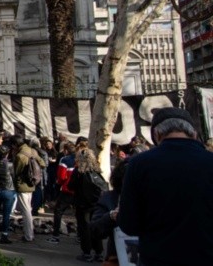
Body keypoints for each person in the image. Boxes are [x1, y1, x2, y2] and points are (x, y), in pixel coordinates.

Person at [118, 107, 213, 265]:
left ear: (156, 135)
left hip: (157, 258)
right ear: (194, 134)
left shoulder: (139, 164)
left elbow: (129, 224)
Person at [68, 147, 106, 262]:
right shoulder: (96, 170)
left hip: (82, 204)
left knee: (84, 228)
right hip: (96, 203)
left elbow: (71, 186)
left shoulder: (79, 171)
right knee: (95, 227)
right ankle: (99, 252)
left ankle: (87, 253)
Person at [90, 158, 129, 262]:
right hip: (117, 257)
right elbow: (95, 230)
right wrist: (111, 216)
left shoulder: (152, 198)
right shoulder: (110, 198)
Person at [12, 134, 45, 242]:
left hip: (22, 185)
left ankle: (28, 235)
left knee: (26, 212)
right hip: (32, 183)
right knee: (28, 209)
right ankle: (29, 233)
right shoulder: (33, 151)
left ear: (15, 145)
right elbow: (43, 163)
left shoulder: (20, 156)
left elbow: (16, 172)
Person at [46, 141, 76, 244]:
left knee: (58, 211)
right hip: (78, 191)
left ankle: (56, 236)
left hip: (67, 189)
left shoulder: (65, 160)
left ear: (66, 150)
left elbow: (61, 177)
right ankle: (81, 237)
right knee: (79, 214)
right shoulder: (80, 160)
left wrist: (58, 185)